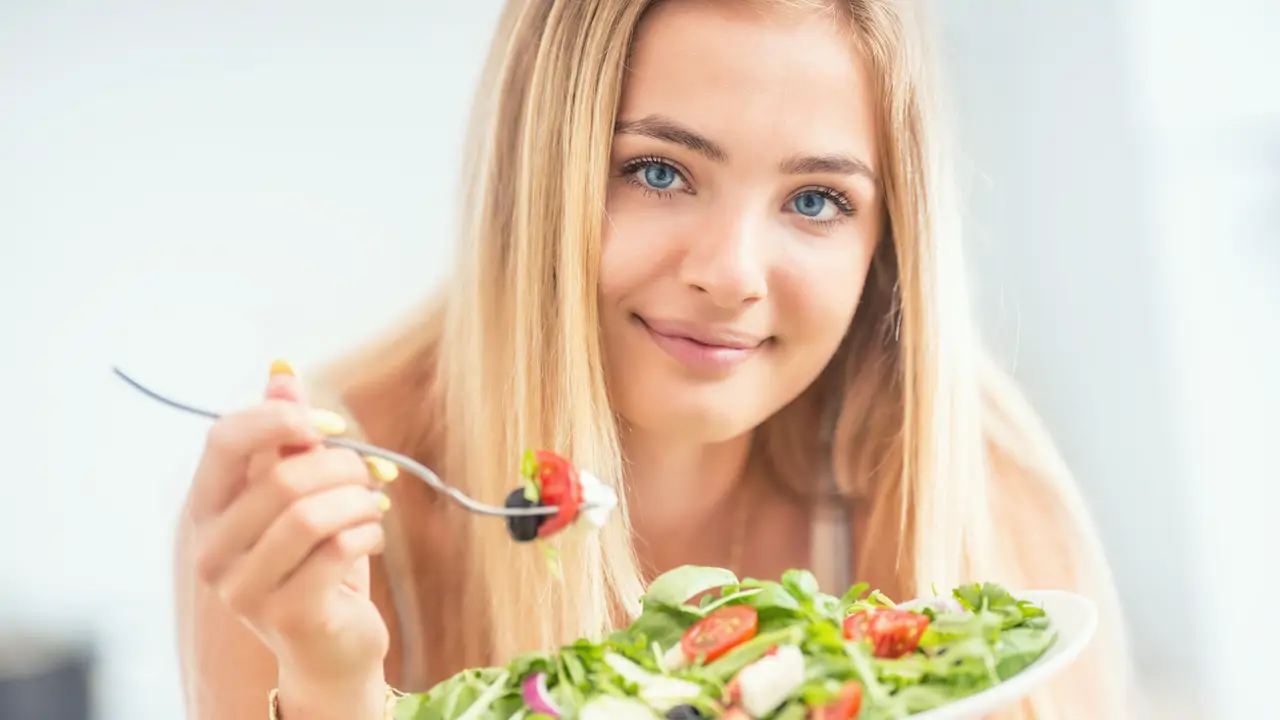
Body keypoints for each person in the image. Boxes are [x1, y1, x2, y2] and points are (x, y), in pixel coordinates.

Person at [174, 1, 1136, 718]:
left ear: (886, 239)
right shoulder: (323, 525)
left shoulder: (976, 494)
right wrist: (330, 685)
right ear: (540, 174)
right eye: (658, 172)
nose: (730, 275)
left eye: (814, 200)